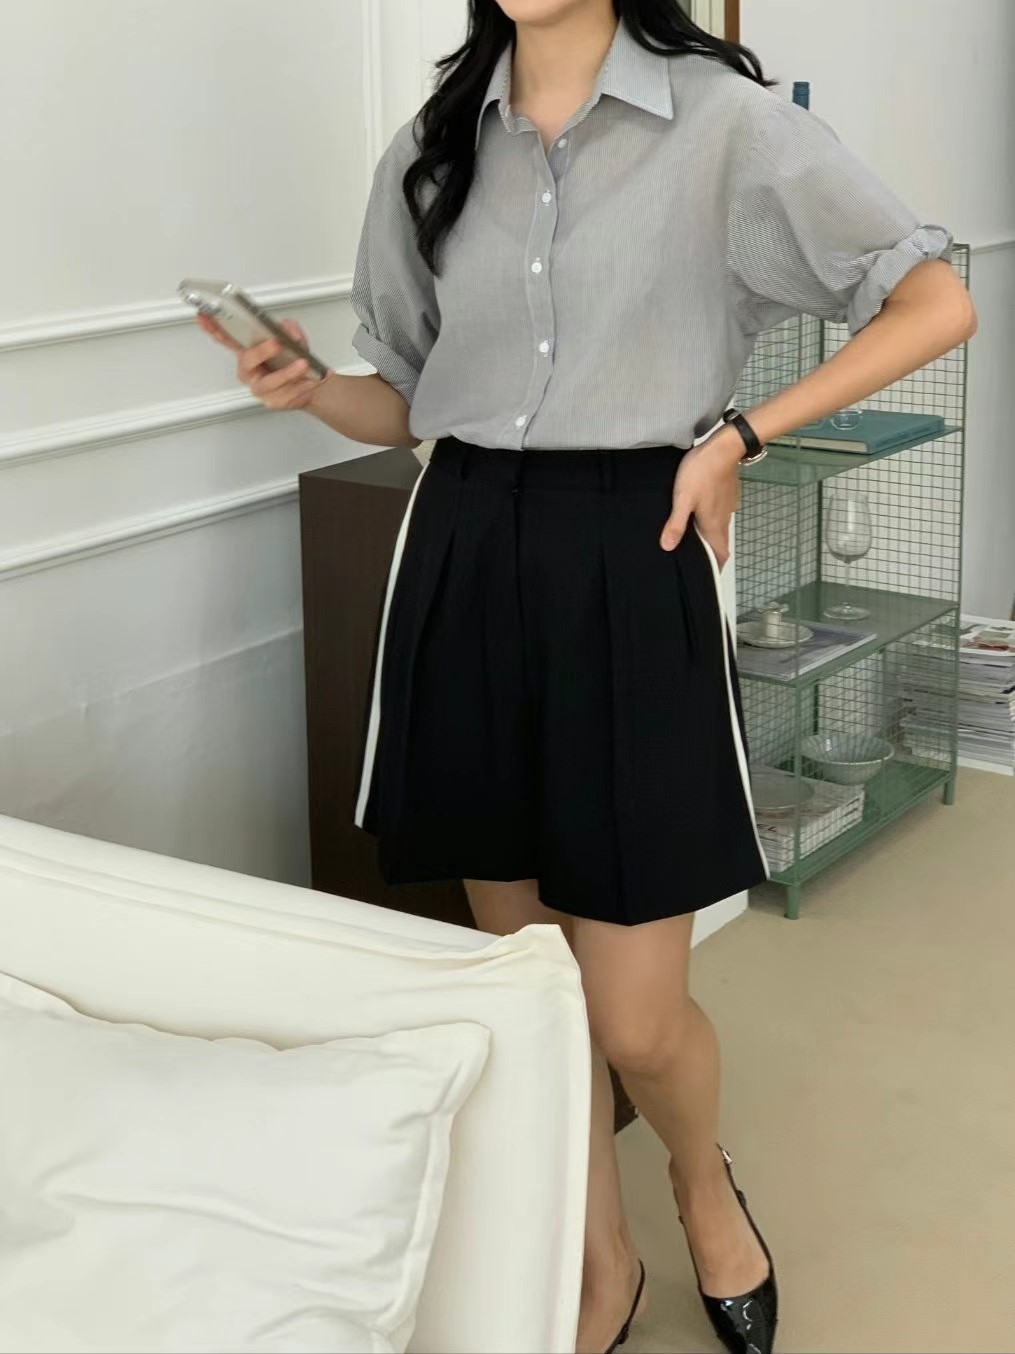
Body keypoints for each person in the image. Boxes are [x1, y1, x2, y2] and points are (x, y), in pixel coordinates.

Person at [197, 3, 976, 1350]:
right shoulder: (435, 146)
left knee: (638, 1015)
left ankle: (698, 1179)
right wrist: (312, 386)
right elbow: (412, 399)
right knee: (533, 985)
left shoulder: (724, 126)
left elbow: (936, 300)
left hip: (633, 551)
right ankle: (596, 1249)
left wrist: (740, 436)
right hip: (462, 551)